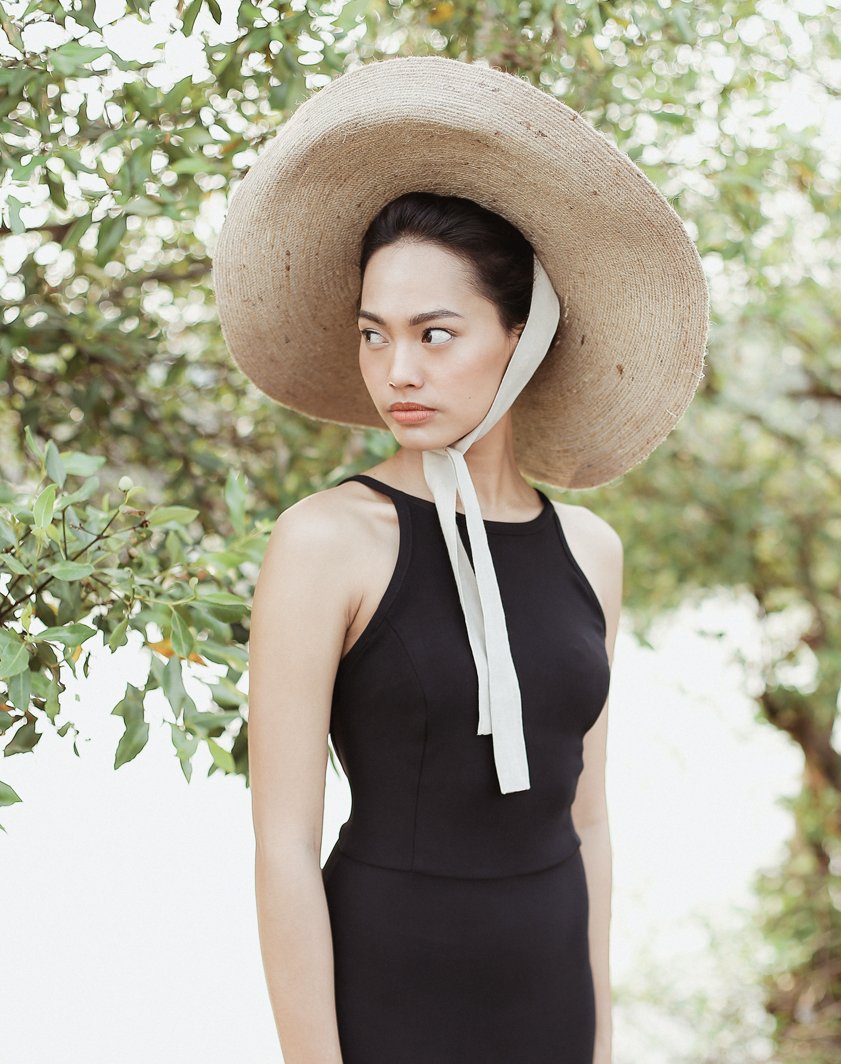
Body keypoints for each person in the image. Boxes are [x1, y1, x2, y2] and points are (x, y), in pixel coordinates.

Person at [212, 56, 708, 1064]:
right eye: (375, 333)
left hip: (546, 997)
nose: (398, 370)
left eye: (436, 333)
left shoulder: (588, 550)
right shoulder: (326, 542)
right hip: (387, 994)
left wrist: (599, 1036)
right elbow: (280, 849)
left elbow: (588, 822)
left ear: (520, 337)